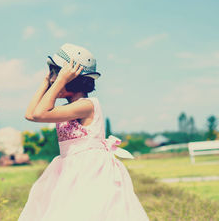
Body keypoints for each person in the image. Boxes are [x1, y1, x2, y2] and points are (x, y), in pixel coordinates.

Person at [18, 43, 149, 221]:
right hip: (69, 168)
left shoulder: (87, 105)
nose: (52, 81)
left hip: (89, 170)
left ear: (73, 79)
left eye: (57, 76)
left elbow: (40, 113)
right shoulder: (69, 107)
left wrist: (60, 80)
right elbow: (30, 115)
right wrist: (45, 82)